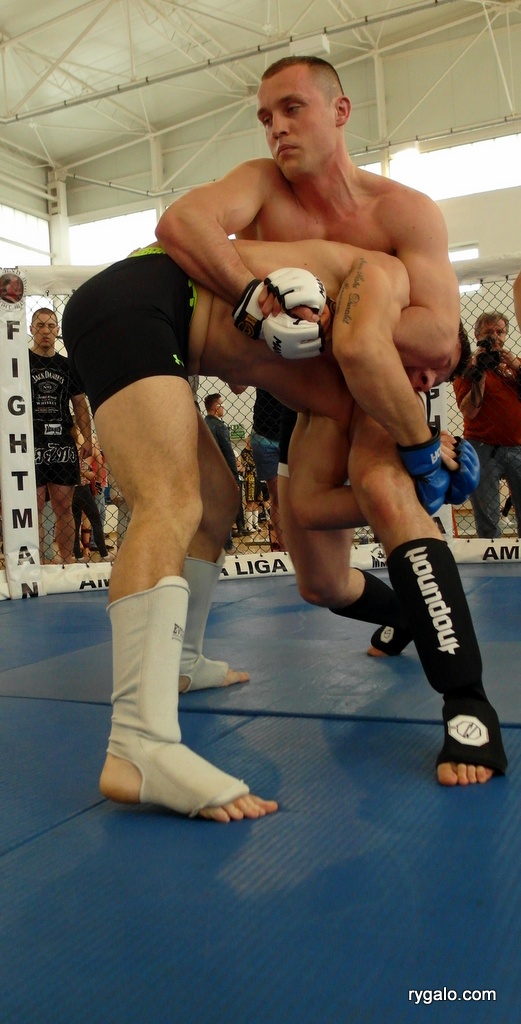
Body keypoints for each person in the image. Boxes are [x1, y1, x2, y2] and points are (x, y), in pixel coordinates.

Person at [156, 56, 504, 787]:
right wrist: (254, 297)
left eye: (292, 108)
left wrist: (340, 318)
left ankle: (467, 703)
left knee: (382, 486)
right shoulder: (260, 185)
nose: (276, 127)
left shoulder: (401, 212)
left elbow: (437, 337)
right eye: (265, 116)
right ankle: (408, 611)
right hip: (293, 390)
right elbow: (180, 224)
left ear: (340, 111)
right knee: (318, 581)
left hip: (375, 378)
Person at [29, 307, 92, 564]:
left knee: (64, 507)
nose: (45, 331)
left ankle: (67, 561)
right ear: (31, 329)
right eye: (40, 325)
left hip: (62, 442)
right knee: (33, 508)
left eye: (50, 326)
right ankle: (37, 563)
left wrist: (87, 438)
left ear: (57, 331)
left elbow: (80, 403)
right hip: (30, 442)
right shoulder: (20, 363)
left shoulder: (67, 365)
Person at [453, 310, 521, 538]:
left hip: (517, 446)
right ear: (477, 336)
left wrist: (515, 366)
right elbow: (469, 411)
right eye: (488, 331)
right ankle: (491, 557)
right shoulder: (467, 369)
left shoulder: (514, 366)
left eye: (500, 331)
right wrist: (479, 375)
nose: (494, 337)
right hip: (481, 447)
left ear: (506, 335)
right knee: (488, 520)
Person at [203, 392, 243, 550]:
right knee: (225, 511)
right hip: (221, 474)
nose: (223, 408)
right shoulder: (220, 426)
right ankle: (227, 545)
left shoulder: (203, 424)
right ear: (215, 406)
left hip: (205, 474)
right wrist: (234, 478)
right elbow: (228, 454)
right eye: (222, 404)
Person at [250, 389, 286, 549]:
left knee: (297, 493)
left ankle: (296, 546)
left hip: (292, 428)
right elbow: (238, 388)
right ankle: (285, 549)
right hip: (265, 433)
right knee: (277, 496)